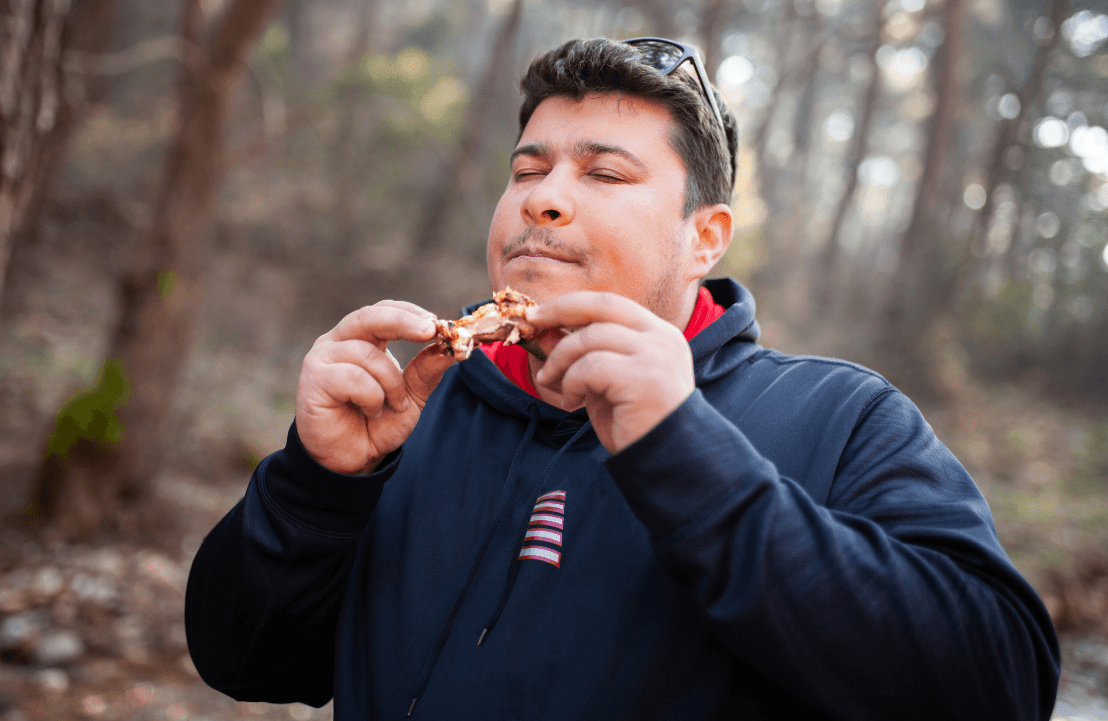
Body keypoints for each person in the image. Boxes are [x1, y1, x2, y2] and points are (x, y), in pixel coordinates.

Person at [184, 38, 1060, 719]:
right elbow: (245, 662)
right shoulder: (418, 405)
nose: (543, 198)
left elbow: (999, 689)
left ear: (705, 236)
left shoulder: (839, 419)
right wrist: (314, 486)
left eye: (604, 173)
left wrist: (687, 456)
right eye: (528, 169)